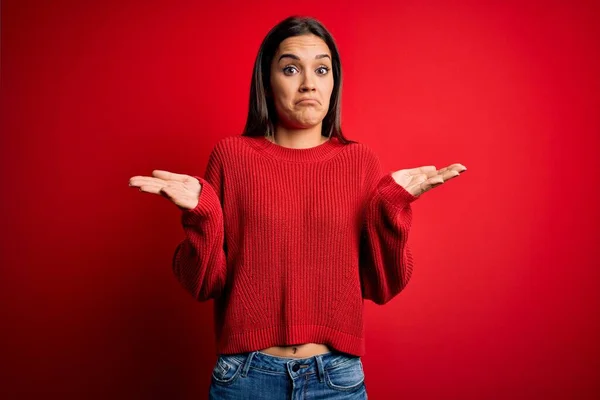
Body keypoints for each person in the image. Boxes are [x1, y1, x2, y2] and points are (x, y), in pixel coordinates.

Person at [129, 15, 466, 400]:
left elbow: (383, 285)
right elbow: (203, 284)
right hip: (245, 377)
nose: (308, 82)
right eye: (291, 68)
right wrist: (202, 216)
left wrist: (392, 207)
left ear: (334, 82)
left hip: (336, 379)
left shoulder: (360, 163)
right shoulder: (231, 157)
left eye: (322, 69)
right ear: (267, 82)